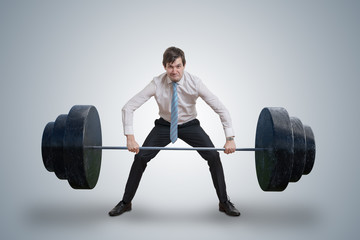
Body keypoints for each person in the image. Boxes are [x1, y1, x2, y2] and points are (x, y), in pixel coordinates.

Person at [108, 47, 240, 217]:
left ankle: (224, 202)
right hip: (165, 125)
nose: (174, 71)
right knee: (140, 157)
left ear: (184, 65)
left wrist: (230, 138)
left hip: (190, 125)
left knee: (214, 156)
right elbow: (128, 107)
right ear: (164, 66)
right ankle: (126, 202)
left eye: (178, 66)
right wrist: (130, 138)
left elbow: (221, 109)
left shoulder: (195, 83)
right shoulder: (156, 83)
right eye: (170, 66)